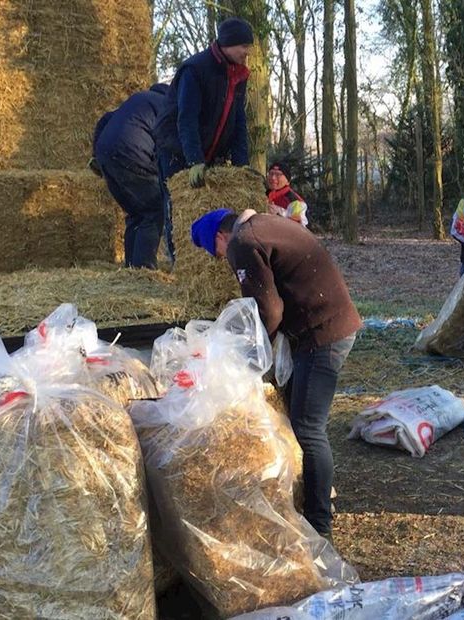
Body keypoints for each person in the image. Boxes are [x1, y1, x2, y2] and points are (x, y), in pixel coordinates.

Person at [189, 207, 362, 540]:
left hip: (322, 332)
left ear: (220, 237)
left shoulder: (242, 243)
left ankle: (319, 523)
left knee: (308, 428)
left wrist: (254, 353)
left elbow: (266, 310)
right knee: (293, 406)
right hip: (326, 322)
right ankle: (311, 491)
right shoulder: (264, 224)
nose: (222, 259)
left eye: (217, 253)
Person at [154, 17, 255, 258]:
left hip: (209, 149)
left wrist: (241, 167)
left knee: (208, 206)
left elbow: (238, 120)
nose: (247, 52)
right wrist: (194, 159)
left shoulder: (238, 75)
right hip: (177, 148)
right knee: (178, 206)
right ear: (228, 44)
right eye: (244, 46)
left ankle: (206, 259)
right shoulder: (195, 69)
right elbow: (186, 117)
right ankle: (179, 259)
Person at [90, 83, 170, 269]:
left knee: (136, 213)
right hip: (132, 152)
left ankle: (131, 268)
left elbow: (104, 119)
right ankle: (143, 268)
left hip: (105, 154)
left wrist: (95, 154)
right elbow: (167, 143)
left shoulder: (136, 100)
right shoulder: (166, 105)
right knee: (154, 209)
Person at [265, 161, 309, 227]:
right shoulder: (263, 194)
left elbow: (297, 228)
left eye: (278, 174)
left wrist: (277, 215)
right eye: (271, 173)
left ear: (288, 181)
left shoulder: (296, 202)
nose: (273, 178)